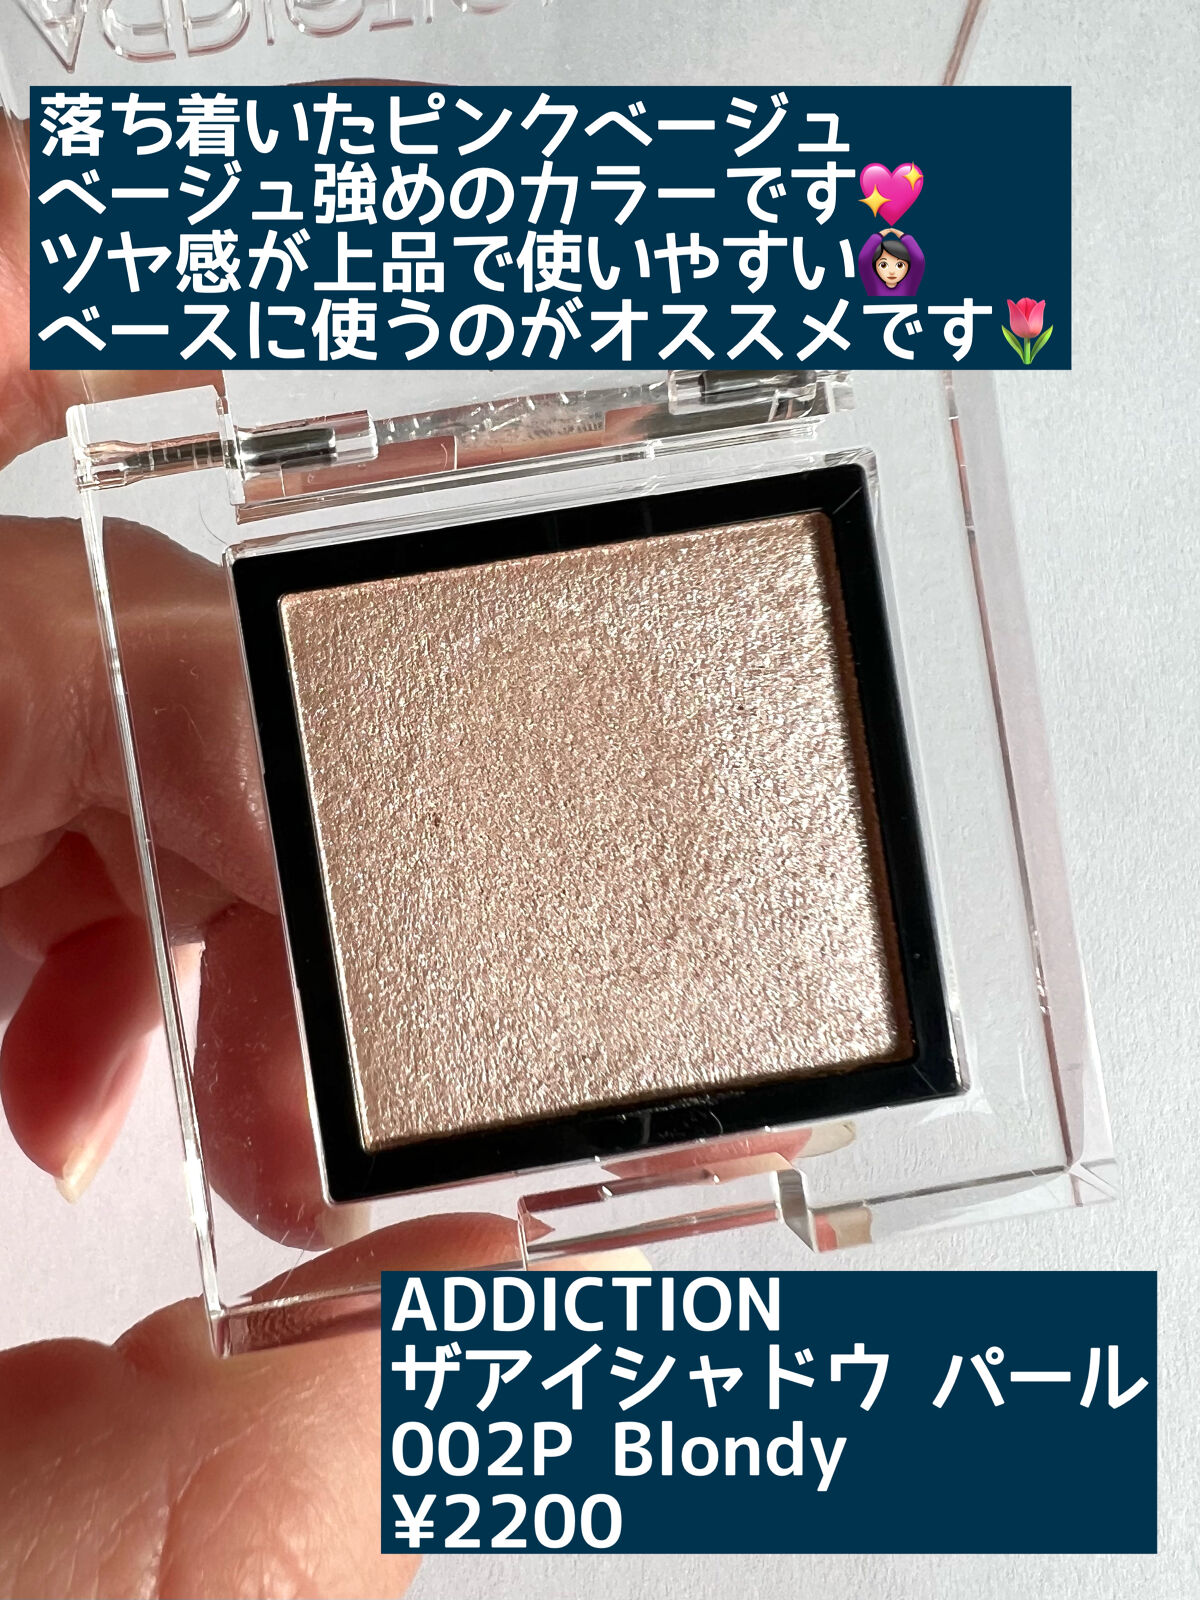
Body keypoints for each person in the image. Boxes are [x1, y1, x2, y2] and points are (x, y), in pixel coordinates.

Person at [857, 229, 925, 297]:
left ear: (908, 267)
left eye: (899, 265)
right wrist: (878, 236)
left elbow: (919, 259)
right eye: (883, 265)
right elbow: (863, 259)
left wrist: (904, 237)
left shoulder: (909, 285)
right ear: (875, 266)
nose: (892, 272)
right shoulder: (873, 284)